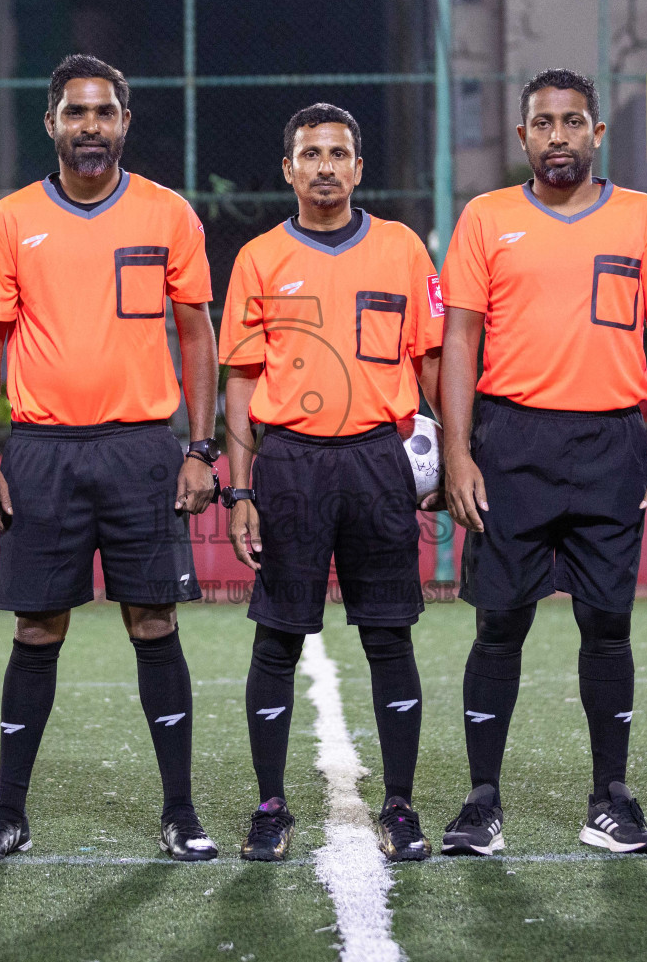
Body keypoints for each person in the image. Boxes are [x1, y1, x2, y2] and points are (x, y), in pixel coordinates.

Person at [0, 54, 221, 863]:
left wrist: (200, 448)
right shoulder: (9, 219)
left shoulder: (168, 213)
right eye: (76, 113)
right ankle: (9, 813)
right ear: (52, 124)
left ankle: (179, 812)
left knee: (154, 620)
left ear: (124, 123)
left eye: (104, 112)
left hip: (143, 448)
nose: (91, 126)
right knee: (37, 627)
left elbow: (196, 335)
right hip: (39, 451)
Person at [438, 68, 647, 856]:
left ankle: (610, 799)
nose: (560, 135)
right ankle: (482, 801)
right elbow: (458, 339)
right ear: (523, 137)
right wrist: (456, 452)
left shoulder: (641, 216)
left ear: (596, 134)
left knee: (607, 624)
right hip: (509, 443)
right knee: (500, 624)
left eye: (574, 121)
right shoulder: (486, 217)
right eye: (544, 123)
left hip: (612, 442)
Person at [220, 103, 444, 862]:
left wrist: (446, 458)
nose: (324, 165)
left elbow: (432, 360)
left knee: (389, 635)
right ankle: (270, 805)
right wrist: (242, 490)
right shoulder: (257, 258)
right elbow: (242, 383)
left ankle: (402, 805)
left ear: (357, 166)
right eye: (309, 153)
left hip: (379, 460)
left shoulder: (403, 250)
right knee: (278, 636)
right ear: (288, 169)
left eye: (338, 152)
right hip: (289, 462)